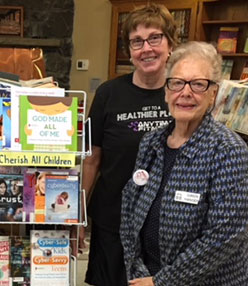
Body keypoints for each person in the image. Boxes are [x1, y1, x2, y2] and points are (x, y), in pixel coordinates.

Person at [120, 41, 248, 286]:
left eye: (198, 84)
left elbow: (224, 236)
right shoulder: (151, 142)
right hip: (146, 276)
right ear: (167, 91)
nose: (185, 92)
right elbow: (129, 208)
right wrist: (137, 271)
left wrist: (162, 282)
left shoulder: (228, 151)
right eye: (177, 83)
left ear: (213, 93)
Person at [74, 4, 177, 285]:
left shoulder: (182, 94)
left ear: (170, 43)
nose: (147, 48)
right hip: (112, 219)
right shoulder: (108, 94)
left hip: (165, 225)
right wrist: (78, 216)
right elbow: (92, 159)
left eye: (155, 38)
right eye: (136, 41)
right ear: (129, 50)